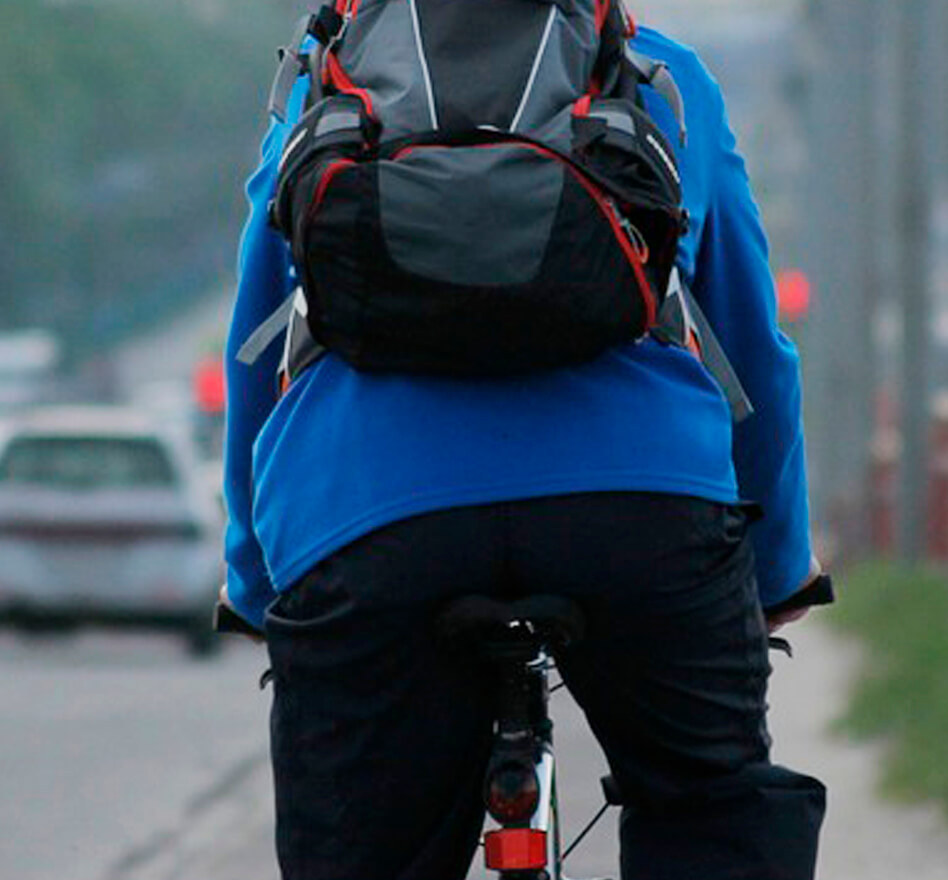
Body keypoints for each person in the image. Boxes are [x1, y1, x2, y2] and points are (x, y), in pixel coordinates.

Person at [219, 6, 831, 879]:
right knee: (711, 807)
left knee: (356, 848)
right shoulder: (656, 71)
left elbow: (256, 339)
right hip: (641, 509)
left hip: (366, 512)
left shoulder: (329, 73)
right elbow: (748, 335)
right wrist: (776, 568)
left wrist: (254, 579)